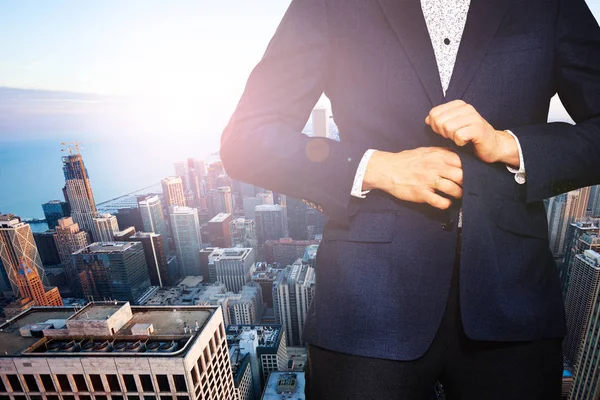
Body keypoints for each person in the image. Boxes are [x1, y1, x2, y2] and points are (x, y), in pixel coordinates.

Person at [220, 0, 600, 398]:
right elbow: (246, 140)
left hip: (513, 307)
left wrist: (508, 145)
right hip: (367, 306)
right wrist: (378, 168)